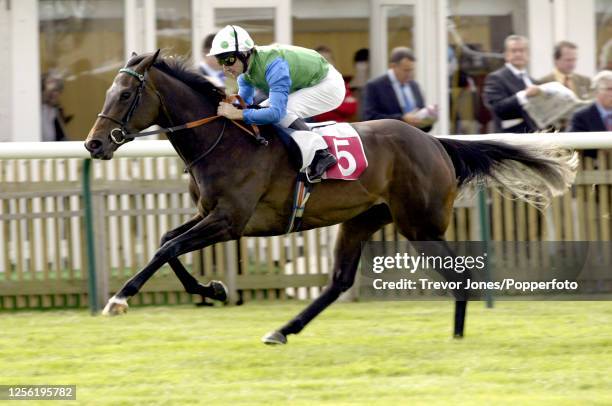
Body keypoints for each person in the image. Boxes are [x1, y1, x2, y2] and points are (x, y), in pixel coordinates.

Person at [209, 25, 345, 180]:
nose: (225, 68)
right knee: (261, 110)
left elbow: (275, 113)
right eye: (221, 61)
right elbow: (244, 105)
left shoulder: (274, 65)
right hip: (306, 84)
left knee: (281, 112)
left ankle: (321, 154)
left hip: (329, 86)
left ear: (245, 53)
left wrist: (238, 113)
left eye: (229, 60)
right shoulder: (244, 73)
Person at [362, 47, 435, 132]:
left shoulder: (414, 85)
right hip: (389, 140)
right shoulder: (374, 86)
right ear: (393, 66)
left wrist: (428, 119)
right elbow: (369, 118)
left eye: (412, 70)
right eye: (406, 70)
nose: (410, 74)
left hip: (415, 140)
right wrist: (402, 119)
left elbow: (421, 114)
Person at [483, 35, 540, 133]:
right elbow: (497, 108)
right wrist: (524, 95)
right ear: (506, 54)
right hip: (510, 138)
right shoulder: (496, 78)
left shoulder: (533, 81)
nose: (518, 54)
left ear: (528, 54)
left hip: (535, 137)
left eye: (522, 50)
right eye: (514, 51)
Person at [569, 70, 612, 158]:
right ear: (596, 91)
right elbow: (573, 145)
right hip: (594, 168)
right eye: (609, 89)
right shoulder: (581, 117)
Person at [313, 45, 357, 123]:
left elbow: (351, 109)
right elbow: (316, 115)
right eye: (321, 60)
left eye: (328, 59)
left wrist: (325, 100)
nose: (326, 63)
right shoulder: (307, 85)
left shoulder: (341, 83)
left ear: (333, 62)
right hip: (316, 128)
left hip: (341, 128)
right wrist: (338, 102)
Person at [41, 72, 71, 142]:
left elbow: (62, 137)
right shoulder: (38, 110)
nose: (56, 94)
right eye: (53, 91)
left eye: (58, 90)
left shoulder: (55, 111)